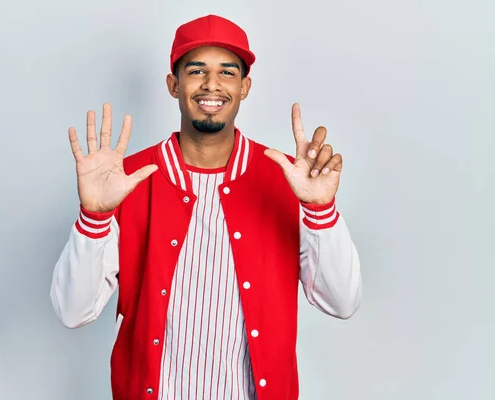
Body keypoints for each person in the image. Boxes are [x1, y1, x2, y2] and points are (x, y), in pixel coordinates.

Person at [50, 14, 362, 400]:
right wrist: (94, 216)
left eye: (227, 72)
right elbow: (71, 310)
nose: (211, 84)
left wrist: (320, 209)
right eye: (196, 70)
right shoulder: (127, 179)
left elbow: (343, 302)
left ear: (244, 87)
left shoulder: (289, 179)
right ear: (173, 84)